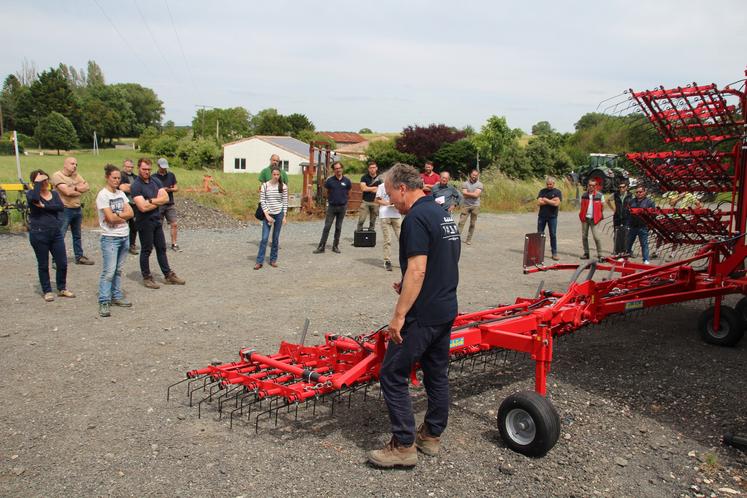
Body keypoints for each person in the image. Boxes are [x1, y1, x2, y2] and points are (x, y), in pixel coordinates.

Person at [367, 163, 461, 468]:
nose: (391, 201)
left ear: (403, 188)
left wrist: (399, 316)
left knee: (392, 374)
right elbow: (440, 261)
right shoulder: (442, 213)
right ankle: (431, 436)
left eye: (391, 193)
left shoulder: (416, 219)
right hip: (445, 307)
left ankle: (403, 446)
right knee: (436, 373)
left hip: (422, 315)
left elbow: (419, 269)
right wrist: (407, 282)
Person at [130, 158, 186, 288]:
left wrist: (149, 201)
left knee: (161, 248)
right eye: (144, 169)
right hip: (144, 222)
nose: (147, 172)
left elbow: (165, 198)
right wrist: (156, 202)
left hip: (156, 219)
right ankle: (147, 277)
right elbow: (142, 207)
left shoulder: (155, 180)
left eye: (149, 169)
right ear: (139, 168)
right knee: (146, 249)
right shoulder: (136, 186)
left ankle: (168, 275)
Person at [26, 169, 75, 302]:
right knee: (43, 264)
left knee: (62, 262)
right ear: (35, 182)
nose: (45, 182)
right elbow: (35, 199)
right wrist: (36, 184)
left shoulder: (54, 194)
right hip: (39, 233)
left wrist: (45, 206)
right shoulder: (31, 194)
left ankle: (62, 287)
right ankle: (47, 290)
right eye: (41, 180)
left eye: (46, 179)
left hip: (55, 233)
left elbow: (60, 207)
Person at [96, 165, 134, 317]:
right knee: (109, 271)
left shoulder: (121, 193)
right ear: (107, 178)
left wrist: (117, 215)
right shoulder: (103, 195)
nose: (117, 181)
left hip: (124, 235)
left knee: (118, 270)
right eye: (114, 178)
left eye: (119, 178)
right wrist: (120, 215)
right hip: (110, 237)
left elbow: (130, 212)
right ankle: (104, 300)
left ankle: (116, 296)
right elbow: (109, 218)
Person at [51, 156, 94, 265]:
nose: (74, 166)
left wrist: (74, 188)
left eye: (76, 164)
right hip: (64, 209)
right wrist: (77, 188)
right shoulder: (57, 176)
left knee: (77, 235)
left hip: (77, 208)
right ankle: (56, 259)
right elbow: (66, 192)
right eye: (72, 163)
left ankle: (79, 256)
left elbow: (87, 186)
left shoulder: (76, 175)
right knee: (61, 234)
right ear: (65, 164)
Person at [313, 161, 352, 254]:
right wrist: (331, 199)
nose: (338, 170)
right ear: (334, 170)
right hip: (332, 207)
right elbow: (326, 193)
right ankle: (321, 247)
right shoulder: (330, 181)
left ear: (342, 168)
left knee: (338, 227)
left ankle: (335, 246)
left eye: (339, 168)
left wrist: (345, 201)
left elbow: (349, 193)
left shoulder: (347, 181)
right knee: (327, 227)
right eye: (336, 168)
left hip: (342, 207)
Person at [255, 166, 288, 270]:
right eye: (274, 174)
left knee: (275, 238)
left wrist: (284, 215)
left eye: (278, 175)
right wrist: (267, 215)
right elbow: (262, 200)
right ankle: (259, 261)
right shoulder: (265, 186)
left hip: (279, 214)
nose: (276, 176)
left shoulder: (283, 186)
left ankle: (273, 259)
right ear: (271, 174)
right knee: (264, 238)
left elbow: (285, 201)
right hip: (268, 214)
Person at [375, 176, 402, 271]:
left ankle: (404, 260)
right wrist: (388, 203)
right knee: (388, 239)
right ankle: (387, 261)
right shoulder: (381, 186)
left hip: (396, 214)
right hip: (385, 214)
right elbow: (377, 199)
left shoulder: (398, 186)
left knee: (402, 239)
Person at [153, 158, 181, 251]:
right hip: (160, 203)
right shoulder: (153, 177)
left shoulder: (171, 175)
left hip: (170, 203)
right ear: (158, 166)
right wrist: (161, 190)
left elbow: (176, 188)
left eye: (165, 167)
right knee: (158, 224)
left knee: (174, 223)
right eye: (162, 167)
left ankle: (174, 243)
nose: (164, 169)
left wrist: (169, 189)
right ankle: (158, 243)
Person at [626, 185, 656, 264]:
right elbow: (627, 213)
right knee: (628, 243)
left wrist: (649, 223)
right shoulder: (631, 201)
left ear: (644, 192)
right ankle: (625, 257)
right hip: (632, 226)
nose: (639, 193)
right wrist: (628, 224)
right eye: (637, 192)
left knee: (644, 244)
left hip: (643, 227)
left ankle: (645, 259)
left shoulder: (649, 202)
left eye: (640, 192)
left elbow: (654, 214)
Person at [536, 176, 562, 261]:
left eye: (550, 184)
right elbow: (538, 203)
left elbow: (556, 204)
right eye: (547, 184)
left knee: (553, 235)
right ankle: (539, 253)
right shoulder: (542, 191)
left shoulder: (557, 192)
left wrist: (545, 200)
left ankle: (554, 253)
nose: (549, 186)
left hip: (552, 217)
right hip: (542, 216)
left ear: (554, 184)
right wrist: (551, 200)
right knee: (540, 234)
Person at [118, 158, 140, 254]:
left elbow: (139, 188)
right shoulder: (120, 176)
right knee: (122, 224)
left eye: (131, 167)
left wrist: (129, 186)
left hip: (135, 203)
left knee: (134, 226)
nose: (129, 169)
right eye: (127, 167)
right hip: (125, 204)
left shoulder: (136, 177)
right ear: (124, 166)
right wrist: (132, 187)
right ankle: (121, 245)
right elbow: (121, 188)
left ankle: (132, 244)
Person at [579, 180, 604, 261]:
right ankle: (586, 253)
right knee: (584, 236)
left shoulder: (600, 195)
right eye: (590, 185)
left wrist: (599, 215)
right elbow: (582, 206)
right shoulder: (584, 195)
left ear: (596, 186)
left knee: (596, 237)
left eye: (593, 185)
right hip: (585, 219)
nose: (591, 187)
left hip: (594, 219)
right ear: (588, 185)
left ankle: (600, 254)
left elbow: (602, 207)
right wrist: (581, 215)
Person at [457, 169, 483, 245]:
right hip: (466, 205)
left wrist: (467, 193)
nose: (474, 176)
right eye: (473, 175)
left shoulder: (480, 184)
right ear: (470, 174)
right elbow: (464, 194)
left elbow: (476, 195)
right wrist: (472, 194)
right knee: (461, 222)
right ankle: (457, 238)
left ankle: (468, 239)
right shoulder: (465, 184)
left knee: (472, 224)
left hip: (476, 206)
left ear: (478, 176)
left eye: (476, 175)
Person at [607, 182, 632, 256]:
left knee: (626, 233)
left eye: (623, 187)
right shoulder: (615, 194)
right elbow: (608, 200)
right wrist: (613, 209)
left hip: (626, 216)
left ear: (626, 187)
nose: (621, 189)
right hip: (617, 216)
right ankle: (616, 250)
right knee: (616, 233)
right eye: (620, 187)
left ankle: (625, 250)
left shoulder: (630, 195)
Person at [356, 161, 381, 231]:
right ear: (368, 169)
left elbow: (381, 190)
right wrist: (375, 188)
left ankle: (370, 237)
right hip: (365, 202)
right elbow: (363, 188)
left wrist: (368, 188)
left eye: (374, 167)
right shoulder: (364, 177)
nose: (372, 169)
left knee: (372, 222)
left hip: (375, 202)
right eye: (371, 168)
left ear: (376, 168)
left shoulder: (380, 178)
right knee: (361, 220)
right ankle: (359, 234)